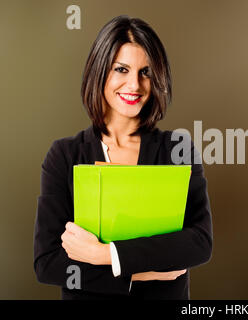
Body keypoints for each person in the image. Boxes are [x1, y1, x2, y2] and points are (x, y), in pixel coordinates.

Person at [33, 15, 213, 300]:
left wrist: (103, 253)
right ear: (99, 71)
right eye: (121, 69)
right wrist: (137, 272)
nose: (135, 84)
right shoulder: (64, 155)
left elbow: (198, 243)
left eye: (146, 72)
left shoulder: (178, 149)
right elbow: (48, 262)